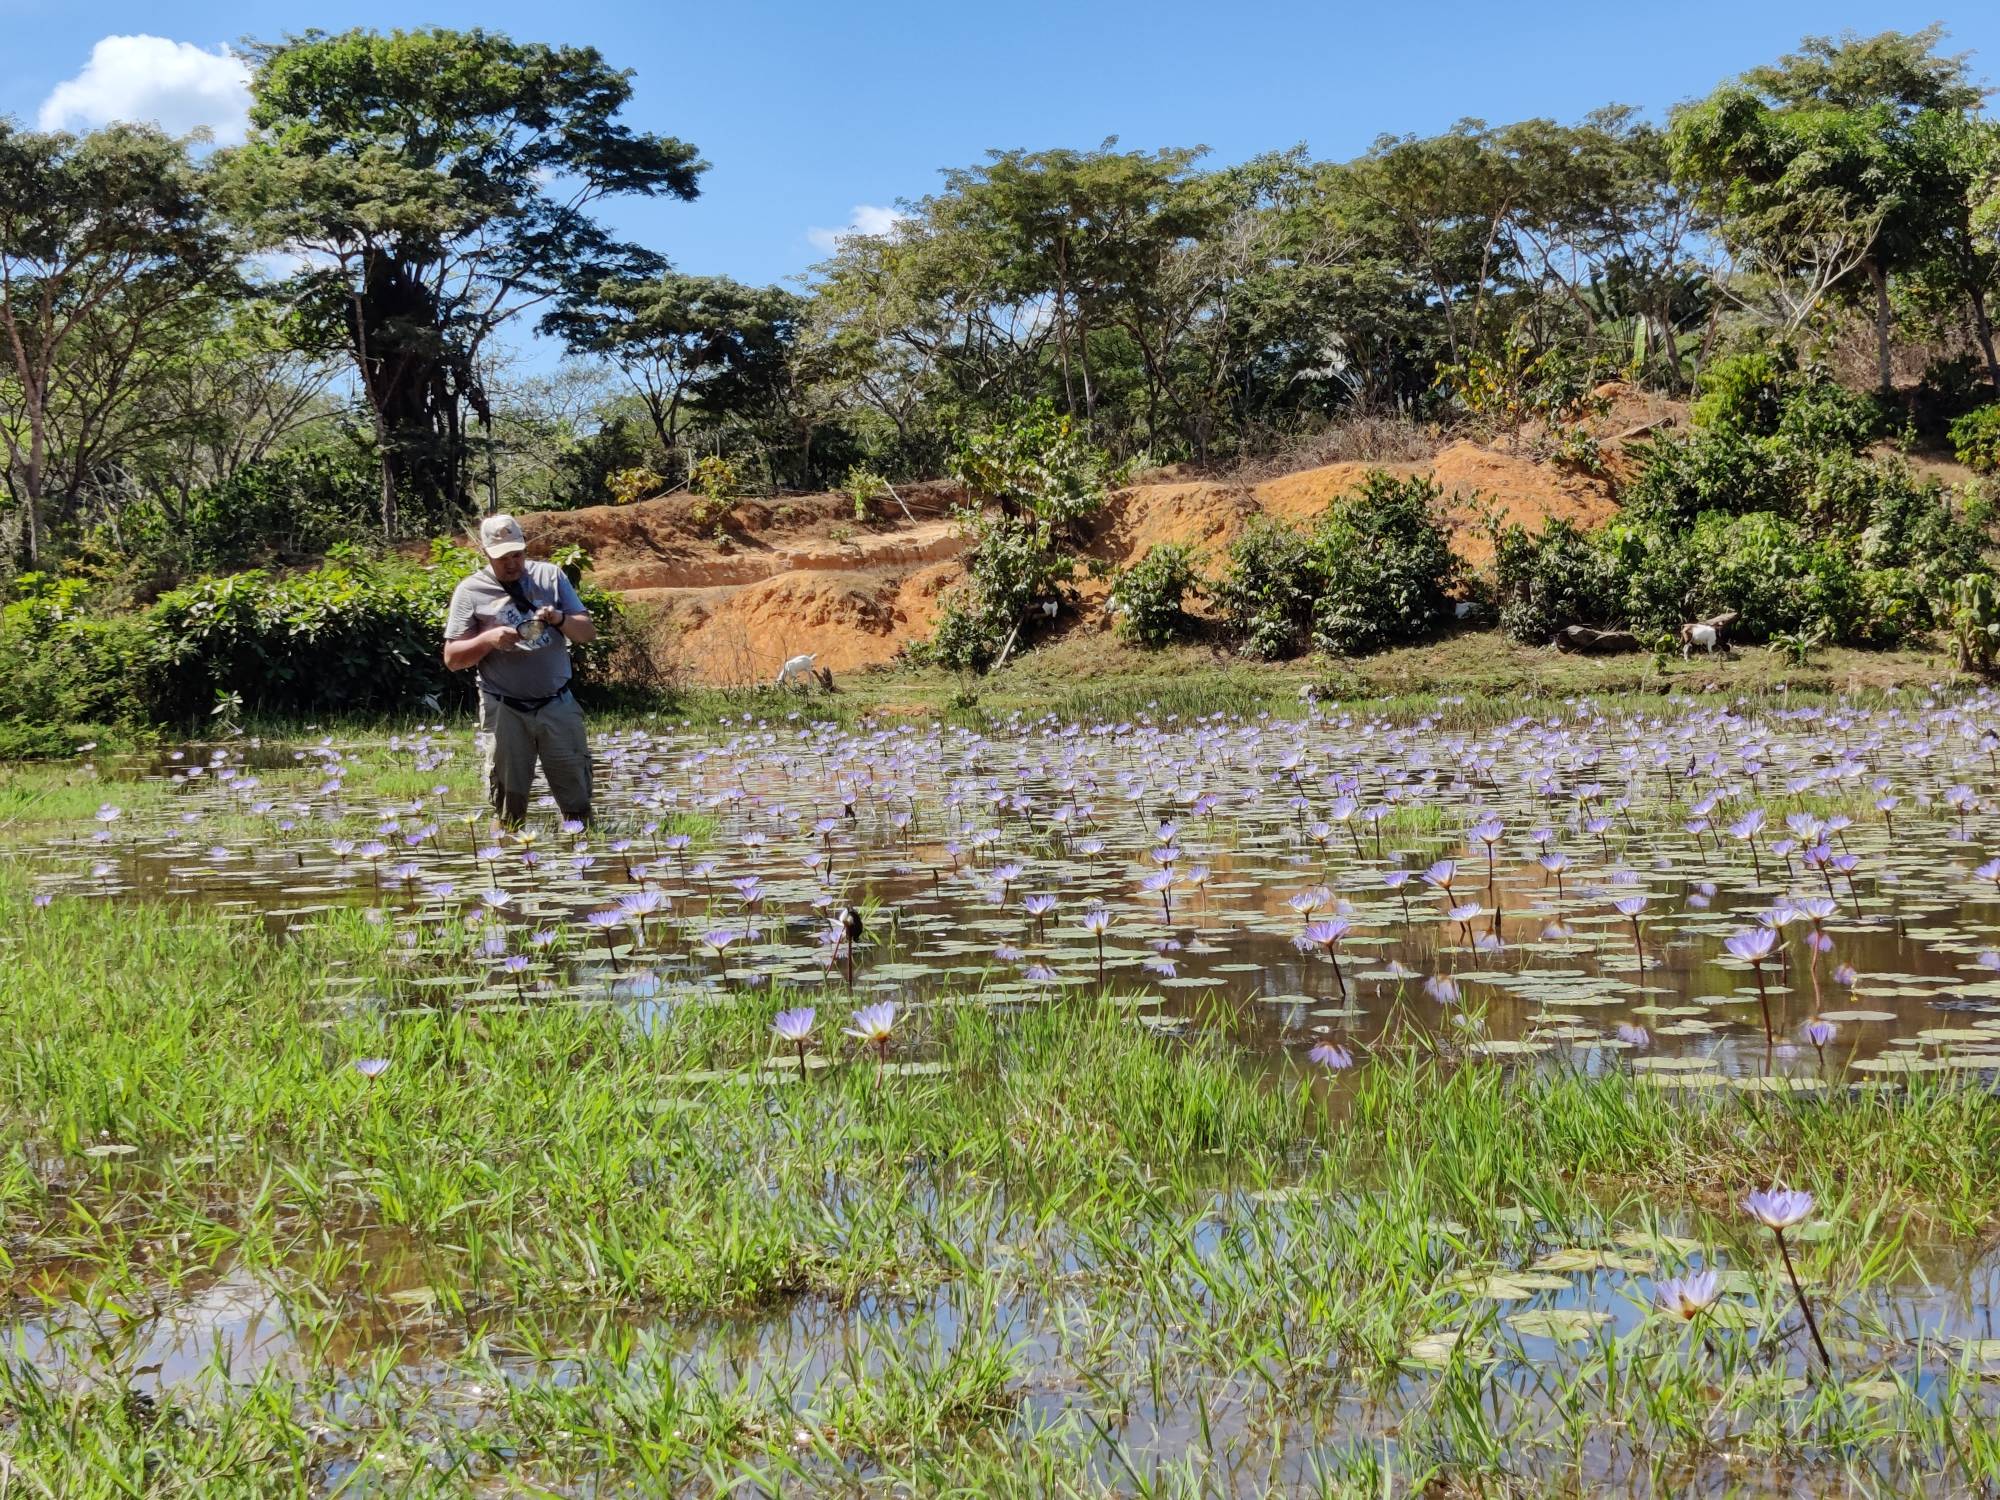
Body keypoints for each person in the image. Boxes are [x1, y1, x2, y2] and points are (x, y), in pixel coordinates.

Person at [443, 514, 597, 826]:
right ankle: (511, 862)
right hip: (505, 709)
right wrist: (488, 639)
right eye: (503, 558)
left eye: (517, 554)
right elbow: (452, 658)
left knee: (578, 805)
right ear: (486, 554)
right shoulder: (470, 591)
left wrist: (558, 620)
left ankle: (582, 858)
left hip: (558, 703)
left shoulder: (551, 577)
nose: (512, 564)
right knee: (508, 811)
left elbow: (586, 633)